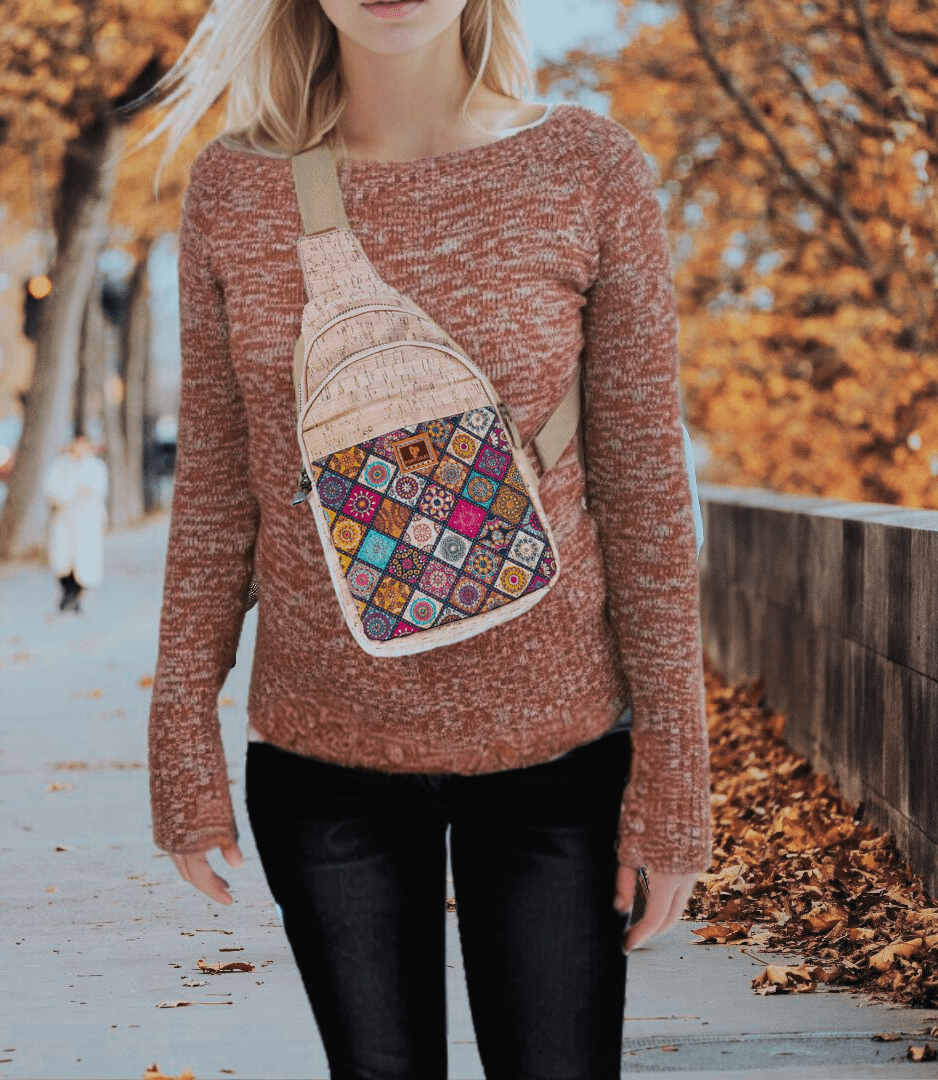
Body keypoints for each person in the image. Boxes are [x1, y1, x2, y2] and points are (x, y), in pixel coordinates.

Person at [144, 2, 712, 1077]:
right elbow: (220, 493)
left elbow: (644, 494)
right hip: (323, 761)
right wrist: (181, 732)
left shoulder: (588, 168)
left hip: (560, 754)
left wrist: (676, 776)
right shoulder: (235, 189)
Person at [43, 434, 108, 614]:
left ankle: (77, 595)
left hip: (87, 520)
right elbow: (52, 490)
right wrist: (71, 494)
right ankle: (67, 593)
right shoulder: (60, 465)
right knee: (63, 559)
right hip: (65, 518)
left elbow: (99, 489)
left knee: (85, 561)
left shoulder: (96, 466)